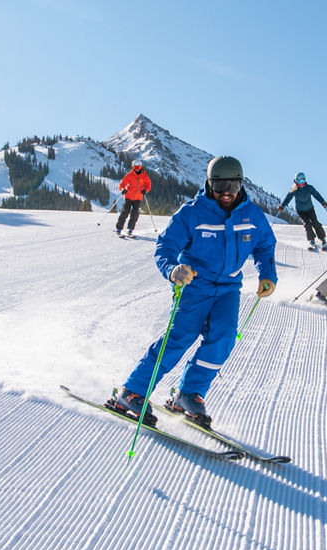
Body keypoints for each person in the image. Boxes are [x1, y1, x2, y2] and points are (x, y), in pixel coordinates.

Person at [111, 155, 277, 428]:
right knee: (180, 337)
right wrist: (173, 270)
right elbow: (164, 248)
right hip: (194, 285)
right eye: (219, 184)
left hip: (228, 289)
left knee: (223, 338)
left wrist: (268, 274)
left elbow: (265, 247)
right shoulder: (192, 212)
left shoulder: (253, 215)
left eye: (232, 185)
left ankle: (188, 395)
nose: (226, 192)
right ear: (209, 183)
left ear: (241, 184)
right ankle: (133, 392)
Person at [276, 172, 327, 250]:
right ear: (295, 181)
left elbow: (316, 195)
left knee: (315, 222)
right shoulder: (294, 189)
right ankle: (311, 240)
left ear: (305, 180)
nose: (301, 183)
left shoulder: (309, 188)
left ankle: (322, 239)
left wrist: (323, 202)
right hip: (301, 211)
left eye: (302, 180)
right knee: (307, 224)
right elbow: (288, 198)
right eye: (299, 181)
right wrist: (282, 206)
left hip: (310, 209)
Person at [115, 162, 151, 236]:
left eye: (138, 167)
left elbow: (148, 185)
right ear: (132, 167)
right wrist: (122, 189)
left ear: (141, 167)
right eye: (135, 167)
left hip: (138, 198)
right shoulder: (129, 175)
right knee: (125, 212)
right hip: (128, 196)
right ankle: (119, 228)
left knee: (135, 213)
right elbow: (122, 184)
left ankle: (130, 229)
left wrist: (145, 190)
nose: (137, 169)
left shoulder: (144, 176)